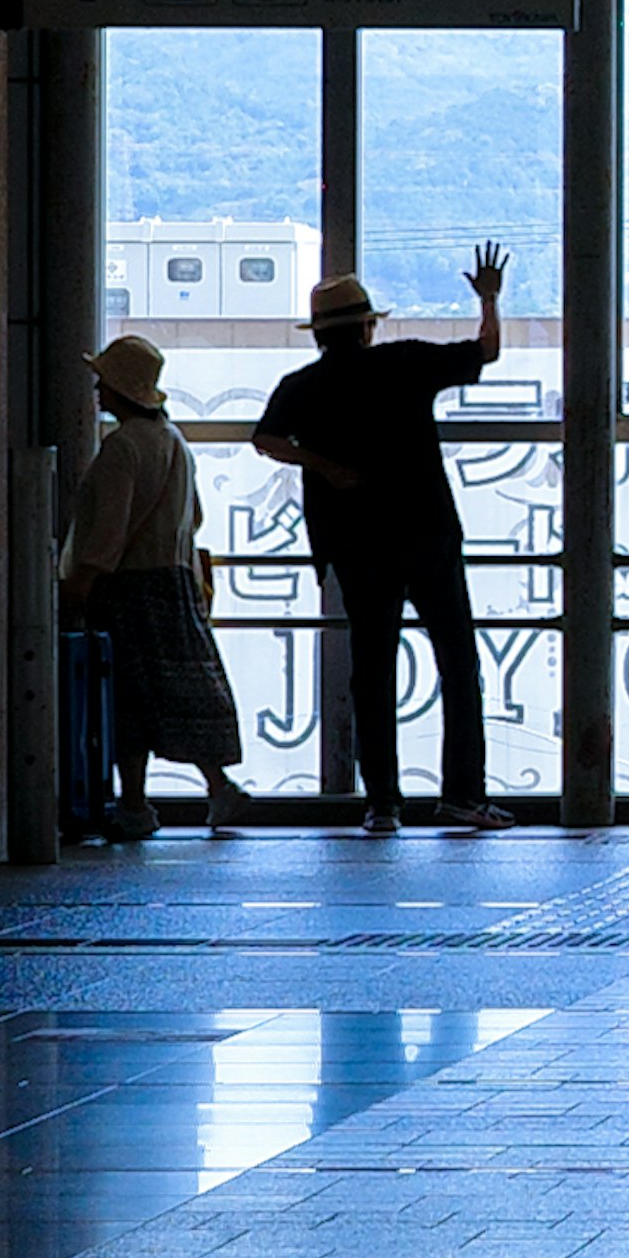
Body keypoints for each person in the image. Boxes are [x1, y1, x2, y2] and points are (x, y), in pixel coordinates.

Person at [254, 247, 512, 836]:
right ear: (370, 325)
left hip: (355, 543)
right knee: (457, 660)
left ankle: (383, 804)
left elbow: (265, 438)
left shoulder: (304, 386)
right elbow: (486, 351)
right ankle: (463, 795)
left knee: (372, 669)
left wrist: (322, 464)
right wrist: (489, 298)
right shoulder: (405, 364)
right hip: (427, 533)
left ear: (319, 333)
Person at [61, 332, 251, 842]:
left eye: (103, 381)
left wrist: (80, 582)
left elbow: (108, 533)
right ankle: (219, 787)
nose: (98, 390)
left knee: (129, 702)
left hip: (128, 589)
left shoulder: (122, 447)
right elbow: (197, 517)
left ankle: (134, 804)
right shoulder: (175, 441)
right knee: (185, 695)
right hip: (177, 584)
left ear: (121, 389)